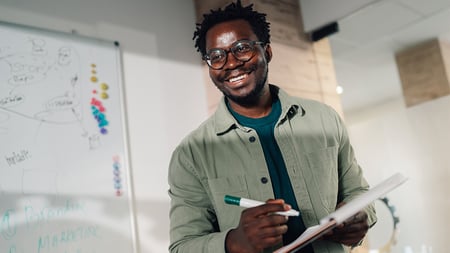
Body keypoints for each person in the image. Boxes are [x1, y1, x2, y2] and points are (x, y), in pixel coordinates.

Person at [168, 1, 376, 253]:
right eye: (216, 56)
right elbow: (182, 246)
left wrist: (359, 216)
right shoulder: (191, 154)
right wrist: (234, 242)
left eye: (242, 48)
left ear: (267, 51)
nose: (231, 63)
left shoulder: (324, 119)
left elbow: (358, 192)